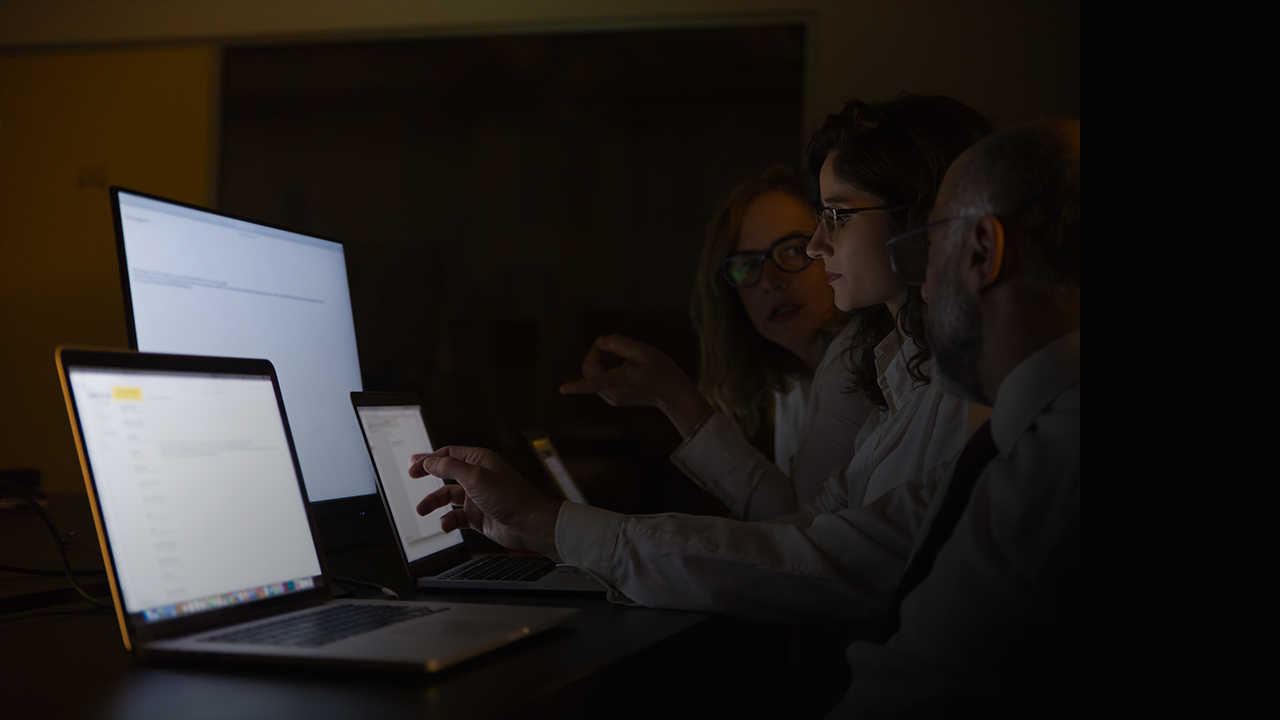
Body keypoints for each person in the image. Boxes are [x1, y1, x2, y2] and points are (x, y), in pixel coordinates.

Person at [408, 95, 995, 629]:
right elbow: (810, 533)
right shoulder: (895, 376)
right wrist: (552, 527)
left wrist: (552, 523)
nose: (815, 249)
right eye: (745, 267)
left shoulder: (945, 386)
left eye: (831, 220)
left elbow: (819, 555)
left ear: (922, 219)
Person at [831, 120, 1081, 715]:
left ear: (982, 252)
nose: (921, 288)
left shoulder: (1046, 474)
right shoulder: (1017, 446)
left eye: (930, 247)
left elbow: (907, 693)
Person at [559, 165, 874, 517]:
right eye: (746, 265)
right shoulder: (793, 383)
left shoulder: (856, 359)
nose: (769, 280)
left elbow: (796, 526)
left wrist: (674, 395)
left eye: (792, 250)